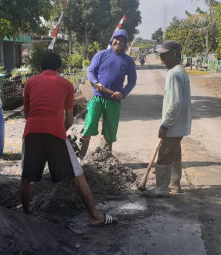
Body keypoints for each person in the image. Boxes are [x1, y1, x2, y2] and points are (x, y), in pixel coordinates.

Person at [20, 52, 114, 226]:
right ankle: (94, 216)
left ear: (40, 68)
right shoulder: (66, 84)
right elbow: (70, 120)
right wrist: (58, 132)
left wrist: (40, 127)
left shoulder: (30, 82)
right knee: (77, 175)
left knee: (26, 176)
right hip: (55, 133)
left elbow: (27, 113)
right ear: (60, 69)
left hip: (31, 132)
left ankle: (25, 216)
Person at [78, 28, 137, 157]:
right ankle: (80, 157)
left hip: (114, 100)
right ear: (112, 40)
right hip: (96, 98)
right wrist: (96, 83)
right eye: (117, 39)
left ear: (125, 43)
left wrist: (123, 92)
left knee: (109, 132)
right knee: (89, 125)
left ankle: (104, 160)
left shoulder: (128, 61)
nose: (119, 42)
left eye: (122, 40)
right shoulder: (101, 55)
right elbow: (91, 72)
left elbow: (132, 81)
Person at [147, 40, 192, 197]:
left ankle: (160, 189)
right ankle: (174, 184)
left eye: (165, 55)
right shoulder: (180, 71)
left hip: (173, 124)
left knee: (165, 154)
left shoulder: (173, 74)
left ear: (174, 54)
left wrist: (166, 124)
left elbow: (175, 103)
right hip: (180, 124)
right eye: (161, 55)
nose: (162, 59)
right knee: (175, 153)